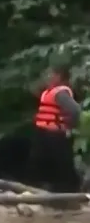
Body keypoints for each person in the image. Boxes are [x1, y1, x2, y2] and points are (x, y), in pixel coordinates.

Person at [30, 64, 81, 192]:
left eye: (52, 74)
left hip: (55, 134)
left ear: (59, 77)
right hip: (43, 132)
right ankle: (46, 188)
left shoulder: (61, 93)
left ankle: (67, 192)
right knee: (40, 162)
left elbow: (75, 110)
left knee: (61, 165)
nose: (49, 77)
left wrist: (69, 126)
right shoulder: (49, 91)